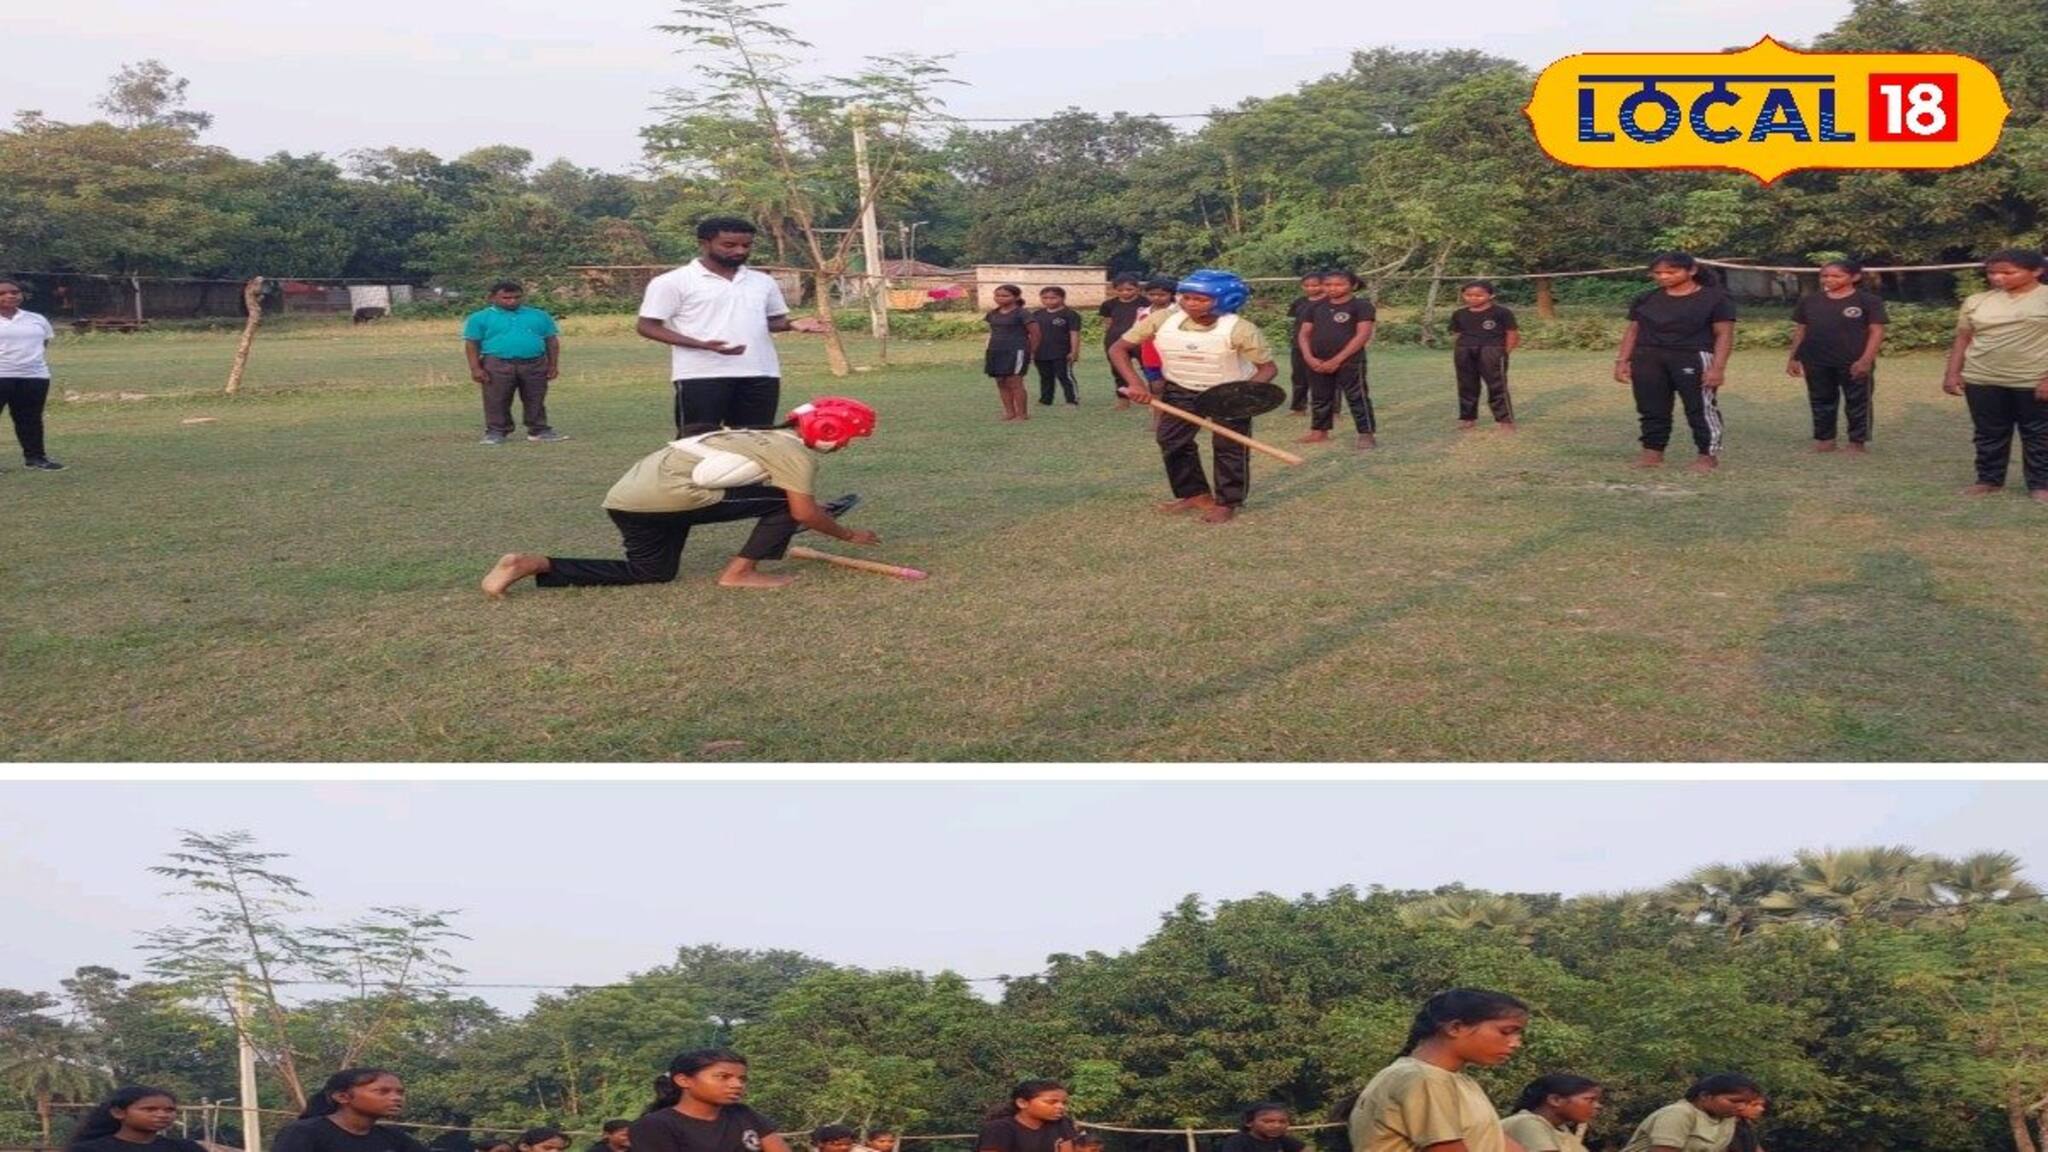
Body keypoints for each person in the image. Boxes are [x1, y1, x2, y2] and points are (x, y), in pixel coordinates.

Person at [480, 397, 876, 597]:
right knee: (783, 506)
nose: (844, 447)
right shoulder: (793, 453)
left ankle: (534, 564)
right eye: (848, 440)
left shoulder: (754, 435)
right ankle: (739, 574)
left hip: (629, 500)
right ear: (828, 432)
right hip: (670, 500)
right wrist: (849, 536)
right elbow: (802, 512)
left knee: (652, 572)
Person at [1111, 269, 1280, 525]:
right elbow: (1119, 348)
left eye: (1200, 299)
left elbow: (1268, 368)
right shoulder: (1162, 319)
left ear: (1227, 300)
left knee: (1229, 447)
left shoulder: (1241, 329)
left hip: (1228, 392)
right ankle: (1195, 494)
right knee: (1171, 439)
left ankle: (1227, 502)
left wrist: (1242, 397)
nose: (1190, 303)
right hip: (1180, 388)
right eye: (1186, 297)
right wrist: (1136, 384)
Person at [638, 217, 830, 437]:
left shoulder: (762, 281)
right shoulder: (673, 282)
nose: (740, 251)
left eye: (746, 245)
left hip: (760, 373)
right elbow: (647, 326)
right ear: (704, 243)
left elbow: (770, 321)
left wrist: (792, 324)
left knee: (754, 442)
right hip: (701, 375)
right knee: (696, 443)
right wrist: (701, 345)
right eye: (729, 245)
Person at [1344, 988, 1529, 1152]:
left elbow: (1498, 1144)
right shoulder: (1422, 1079)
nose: (1516, 1043)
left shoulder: (1460, 1082)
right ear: (1455, 1028)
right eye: (1506, 1032)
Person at [1942, 247, 2048, 501]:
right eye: (1992, 273)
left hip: (2032, 379)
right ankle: (1988, 480)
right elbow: (1963, 339)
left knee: (2039, 434)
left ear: (2036, 271)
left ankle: (2041, 485)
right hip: (1982, 378)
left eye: (2008, 272)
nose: (1998, 278)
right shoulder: (1977, 300)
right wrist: (1952, 373)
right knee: (1988, 433)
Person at [1614, 252, 1736, 472]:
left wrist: (1718, 368)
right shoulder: (1646, 299)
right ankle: (1652, 453)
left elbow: (1724, 334)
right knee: (1651, 407)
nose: (1663, 277)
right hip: (1648, 356)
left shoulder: (1715, 298)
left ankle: (1707, 455)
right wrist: (1622, 361)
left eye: (1671, 272)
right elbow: (1633, 330)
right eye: (1658, 273)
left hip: (1693, 356)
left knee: (1699, 408)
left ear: (1691, 270)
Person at [1788, 260, 1886, 452]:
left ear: (1854, 277)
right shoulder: (1810, 301)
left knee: (1858, 401)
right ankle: (1825, 440)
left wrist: (1866, 359)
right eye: (1825, 275)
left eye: (1836, 275)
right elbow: (1801, 330)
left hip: (1853, 361)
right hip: (1816, 359)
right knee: (1821, 400)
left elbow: (1877, 331)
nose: (1829, 279)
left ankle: (1857, 442)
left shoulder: (1868, 301)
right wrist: (1794, 357)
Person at [463, 280, 565, 446]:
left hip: (534, 362)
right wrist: (475, 368)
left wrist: (553, 365)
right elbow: (472, 343)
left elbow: (551, 341)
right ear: (492, 298)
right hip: (497, 363)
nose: (512, 301)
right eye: (506, 298)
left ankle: (539, 430)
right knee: (496, 398)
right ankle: (496, 432)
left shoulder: (539, 315)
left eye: (516, 297)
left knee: (535, 397)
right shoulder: (479, 318)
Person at [629, 1049, 788, 1152]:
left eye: (742, 1079)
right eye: (723, 1077)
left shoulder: (744, 1114)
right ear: (684, 1080)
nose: (737, 1084)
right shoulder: (655, 1126)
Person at [1298, 269, 1377, 449]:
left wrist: (1337, 360)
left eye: (1339, 284)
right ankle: (1319, 431)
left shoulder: (1361, 306)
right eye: (1328, 284)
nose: (1332, 288)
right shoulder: (1315, 306)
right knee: (1320, 396)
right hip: (1316, 360)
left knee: (1357, 396)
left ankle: (1366, 433)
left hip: (1349, 360)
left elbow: (1362, 335)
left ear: (1353, 285)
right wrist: (1309, 357)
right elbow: (1304, 334)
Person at [272, 1069, 430, 1152]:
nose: (396, 1098)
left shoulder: (392, 1137)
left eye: (400, 1092)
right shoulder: (303, 1133)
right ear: (343, 1097)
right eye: (382, 1092)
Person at [0, 278, 63, 471]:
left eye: (15, 292)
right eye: (3, 293)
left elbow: (43, 344)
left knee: (30, 419)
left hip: (34, 376)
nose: (10, 295)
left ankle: (36, 458)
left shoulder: (36, 319)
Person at [1617, 1076, 1762, 1152]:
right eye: (1735, 1101)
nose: (1741, 1107)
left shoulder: (1727, 1119)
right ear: (1705, 1096)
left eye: (1747, 1102)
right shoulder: (1678, 1114)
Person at [1449, 281, 1519, 431]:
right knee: (1466, 385)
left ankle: (1505, 420)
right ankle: (1468, 418)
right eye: (1468, 295)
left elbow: (1512, 333)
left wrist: (1504, 352)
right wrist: (1459, 349)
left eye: (1479, 295)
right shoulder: (1459, 314)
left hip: (1492, 350)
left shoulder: (1501, 312)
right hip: (1465, 350)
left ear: (1491, 295)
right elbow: (1456, 334)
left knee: (1497, 386)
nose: (1473, 298)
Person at [67, 1087, 206, 1152]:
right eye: (149, 1109)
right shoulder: (89, 1150)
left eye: (169, 1110)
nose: (162, 1114)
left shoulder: (186, 1148)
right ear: (118, 1113)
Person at [1500, 1075, 1602, 1152]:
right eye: (1590, 1100)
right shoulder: (1526, 1122)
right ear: (1555, 1100)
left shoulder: (1562, 1131)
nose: (1598, 1106)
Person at [985, 284, 1038, 421]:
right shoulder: (993, 313)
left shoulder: (1023, 313)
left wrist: (1032, 352)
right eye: (997, 295)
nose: (1000, 298)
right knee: (1001, 382)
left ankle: (1022, 414)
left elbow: (1036, 334)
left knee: (1015, 382)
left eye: (1005, 295)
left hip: (1016, 350)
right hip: (995, 350)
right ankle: (1009, 413)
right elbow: (992, 332)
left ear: (1016, 297)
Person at [977, 1079, 1077, 1152]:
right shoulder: (999, 1129)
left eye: (1063, 1103)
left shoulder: (1062, 1123)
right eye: (1051, 1102)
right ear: (1022, 1103)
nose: (1061, 1106)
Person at [1099, 275, 1147, 410]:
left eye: (1129, 289)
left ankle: (1154, 398)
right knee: (1118, 370)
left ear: (1137, 289)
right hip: (1115, 341)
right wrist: (1108, 339)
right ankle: (1123, 400)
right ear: (1114, 290)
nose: (1125, 293)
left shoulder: (1146, 303)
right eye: (1120, 290)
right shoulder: (1109, 304)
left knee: (1148, 368)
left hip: (1140, 340)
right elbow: (1107, 323)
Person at [1031, 287, 1085, 407]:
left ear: (1062, 298)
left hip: (1061, 352)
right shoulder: (1037, 314)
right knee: (1045, 377)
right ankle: (1045, 400)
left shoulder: (1070, 314)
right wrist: (1032, 351)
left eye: (1053, 298)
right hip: (1041, 351)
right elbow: (1033, 334)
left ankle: (1072, 399)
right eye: (1045, 298)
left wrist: (1074, 351)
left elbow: (1074, 333)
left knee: (1064, 376)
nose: (1049, 301)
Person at [1287, 273, 1329, 415]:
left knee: (1326, 378)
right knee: (1299, 376)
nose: (1311, 288)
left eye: (1315, 285)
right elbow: (1295, 322)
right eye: (1307, 285)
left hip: (1322, 345)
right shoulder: (1299, 302)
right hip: (1299, 345)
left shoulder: (1331, 302)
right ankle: (1299, 408)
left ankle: (1332, 410)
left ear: (1323, 285)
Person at [1219, 1103, 1303, 1152]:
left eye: (1282, 1122)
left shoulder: (1282, 1140)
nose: (1277, 1125)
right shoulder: (1237, 1142)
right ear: (1249, 1122)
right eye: (1268, 1121)